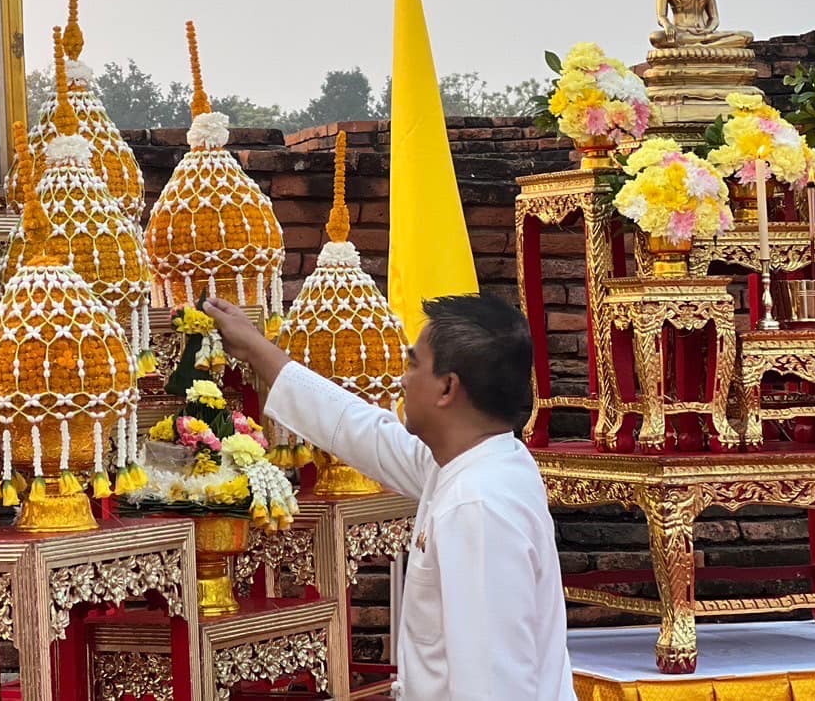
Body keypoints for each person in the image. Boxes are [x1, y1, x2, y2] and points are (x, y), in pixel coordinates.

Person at [204, 292, 575, 701]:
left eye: (414, 364)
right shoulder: (479, 460)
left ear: (448, 388)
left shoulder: (479, 505)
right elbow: (364, 432)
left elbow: (493, 687)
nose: (402, 379)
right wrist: (259, 351)